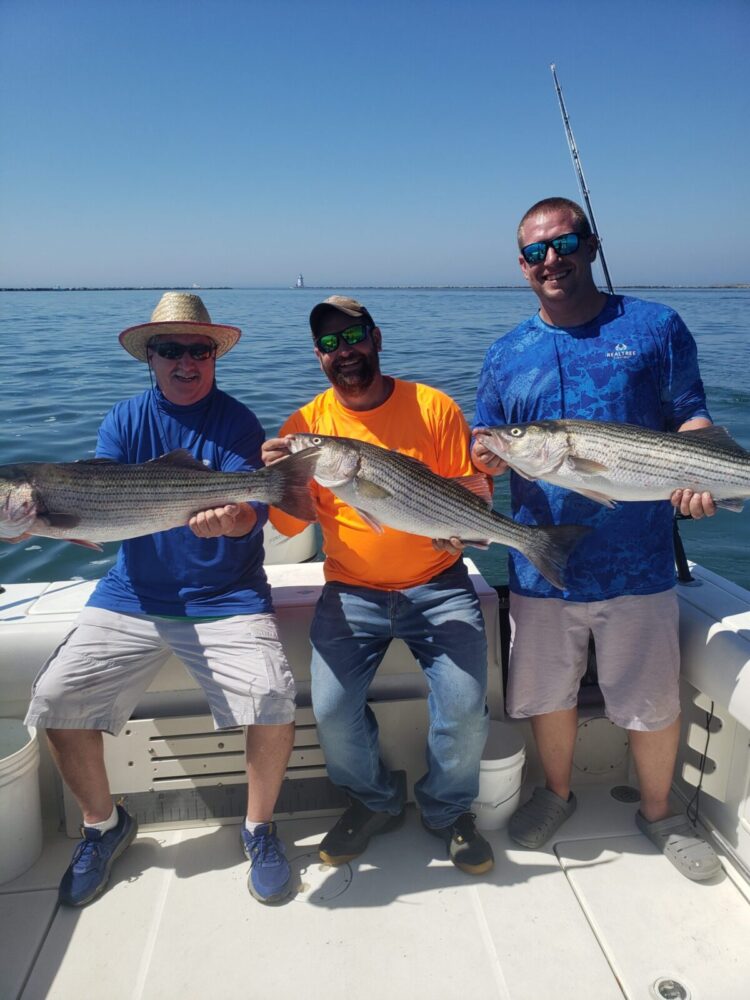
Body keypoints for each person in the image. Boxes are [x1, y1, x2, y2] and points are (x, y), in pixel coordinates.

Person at [471, 197, 721, 880]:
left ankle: (661, 811)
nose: (550, 259)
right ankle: (555, 796)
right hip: (541, 564)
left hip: (639, 561)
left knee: (650, 698)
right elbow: (486, 443)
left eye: (564, 243)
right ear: (522, 268)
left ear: (590, 245)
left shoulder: (654, 326)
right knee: (546, 694)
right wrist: (487, 458)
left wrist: (709, 476)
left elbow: (692, 420)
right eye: (534, 252)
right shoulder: (505, 353)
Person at [24, 292, 298, 906]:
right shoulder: (123, 420)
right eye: (169, 350)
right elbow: (96, 494)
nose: (185, 361)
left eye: (197, 349)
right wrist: (61, 521)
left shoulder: (237, 422)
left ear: (213, 357)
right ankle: (104, 825)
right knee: (55, 698)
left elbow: (251, 511)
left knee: (274, 699)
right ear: (150, 358)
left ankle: (258, 828)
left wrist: (231, 521)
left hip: (226, 595)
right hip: (134, 594)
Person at [262, 295, 494, 875]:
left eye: (355, 336)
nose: (346, 352)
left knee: (465, 708)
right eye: (330, 344)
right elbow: (289, 525)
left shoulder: (433, 407)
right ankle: (372, 802)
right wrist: (277, 483)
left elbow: (474, 493)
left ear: (377, 337)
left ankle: (447, 812)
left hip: (439, 583)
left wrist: (460, 530)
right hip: (351, 591)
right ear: (318, 357)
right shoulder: (304, 427)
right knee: (334, 710)